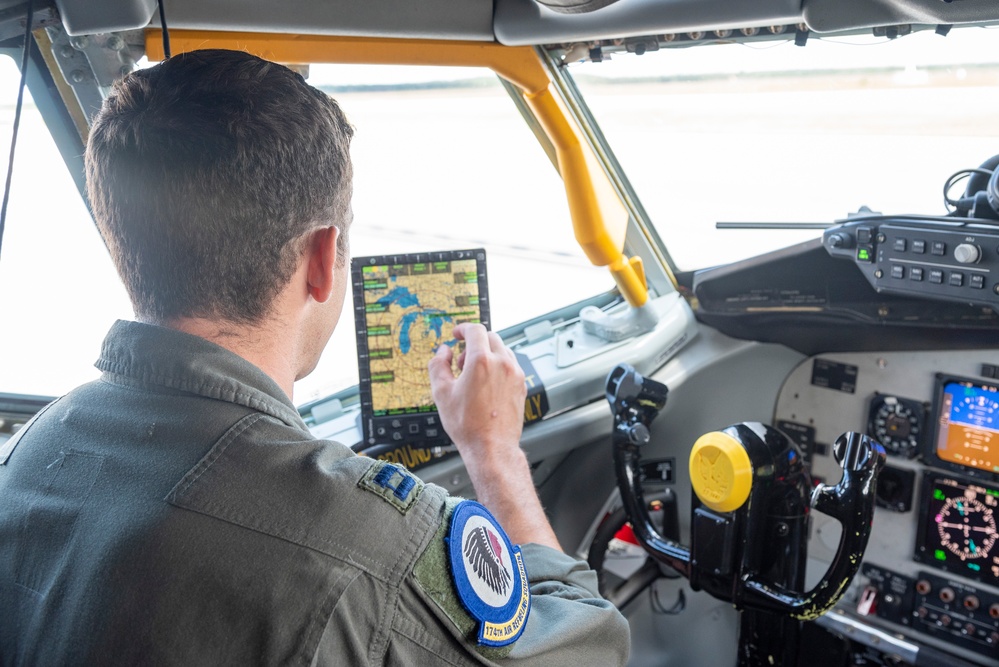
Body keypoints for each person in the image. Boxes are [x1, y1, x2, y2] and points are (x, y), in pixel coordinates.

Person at [0, 49, 630, 665]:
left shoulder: (27, 453)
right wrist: (494, 454)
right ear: (324, 258)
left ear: (125, 244)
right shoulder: (370, 541)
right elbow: (590, 647)